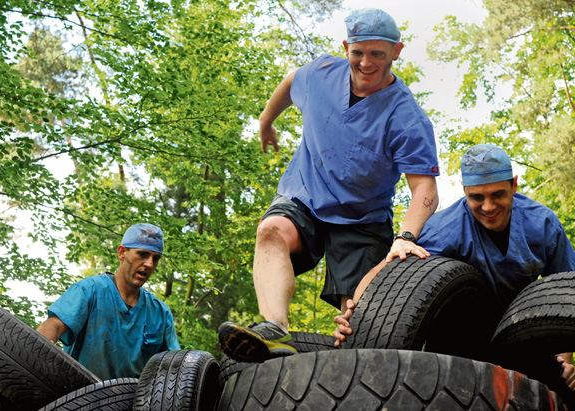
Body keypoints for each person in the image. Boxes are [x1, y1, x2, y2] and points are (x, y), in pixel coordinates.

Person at [218, 8, 439, 363]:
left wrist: (406, 237)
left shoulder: (407, 118)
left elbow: (425, 190)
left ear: (397, 52)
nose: (366, 63)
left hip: (362, 217)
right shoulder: (322, 74)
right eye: (358, 53)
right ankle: (274, 328)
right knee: (271, 230)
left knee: (357, 319)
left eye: (377, 54)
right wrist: (265, 121)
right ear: (345, 47)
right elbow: (292, 81)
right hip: (306, 193)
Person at [334, 143, 575, 390]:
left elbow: (565, 295)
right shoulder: (445, 229)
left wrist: (565, 361)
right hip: (460, 332)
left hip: (519, 332)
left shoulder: (542, 224)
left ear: (513, 185)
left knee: (556, 383)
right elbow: (386, 273)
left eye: (498, 194)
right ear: (464, 191)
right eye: (477, 197)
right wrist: (356, 315)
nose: (489, 207)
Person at [37, 223, 180, 380]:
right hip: (78, 398)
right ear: (122, 253)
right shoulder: (90, 290)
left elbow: (174, 369)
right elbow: (54, 326)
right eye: (143, 254)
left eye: (156, 258)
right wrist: (39, 354)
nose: (149, 264)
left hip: (133, 403)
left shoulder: (160, 313)